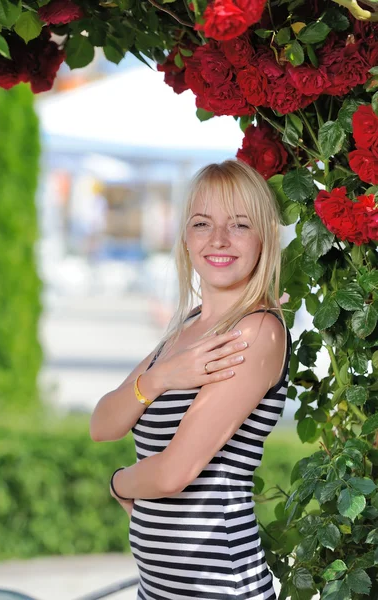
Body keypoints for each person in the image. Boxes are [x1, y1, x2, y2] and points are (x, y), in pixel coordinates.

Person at [90, 159, 293, 600]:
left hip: (219, 588)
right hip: (158, 588)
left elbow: (173, 474)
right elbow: (103, 424)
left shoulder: (256, 331)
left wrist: (119, 483)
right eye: (203, 223)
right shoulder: (190, 327)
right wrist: (162, 376)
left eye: (239, 224)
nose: (218, 239)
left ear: (264, 237)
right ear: (185, 237)